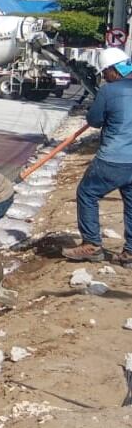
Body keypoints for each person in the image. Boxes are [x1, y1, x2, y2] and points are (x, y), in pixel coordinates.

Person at [63, 46, 132, 266]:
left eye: (105, 72)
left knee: (87, 193)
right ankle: (130, 252)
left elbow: (94, 120)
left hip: (114, 158)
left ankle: (92, 244)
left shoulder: (109, 91)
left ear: (114, 70)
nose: (104, 77)